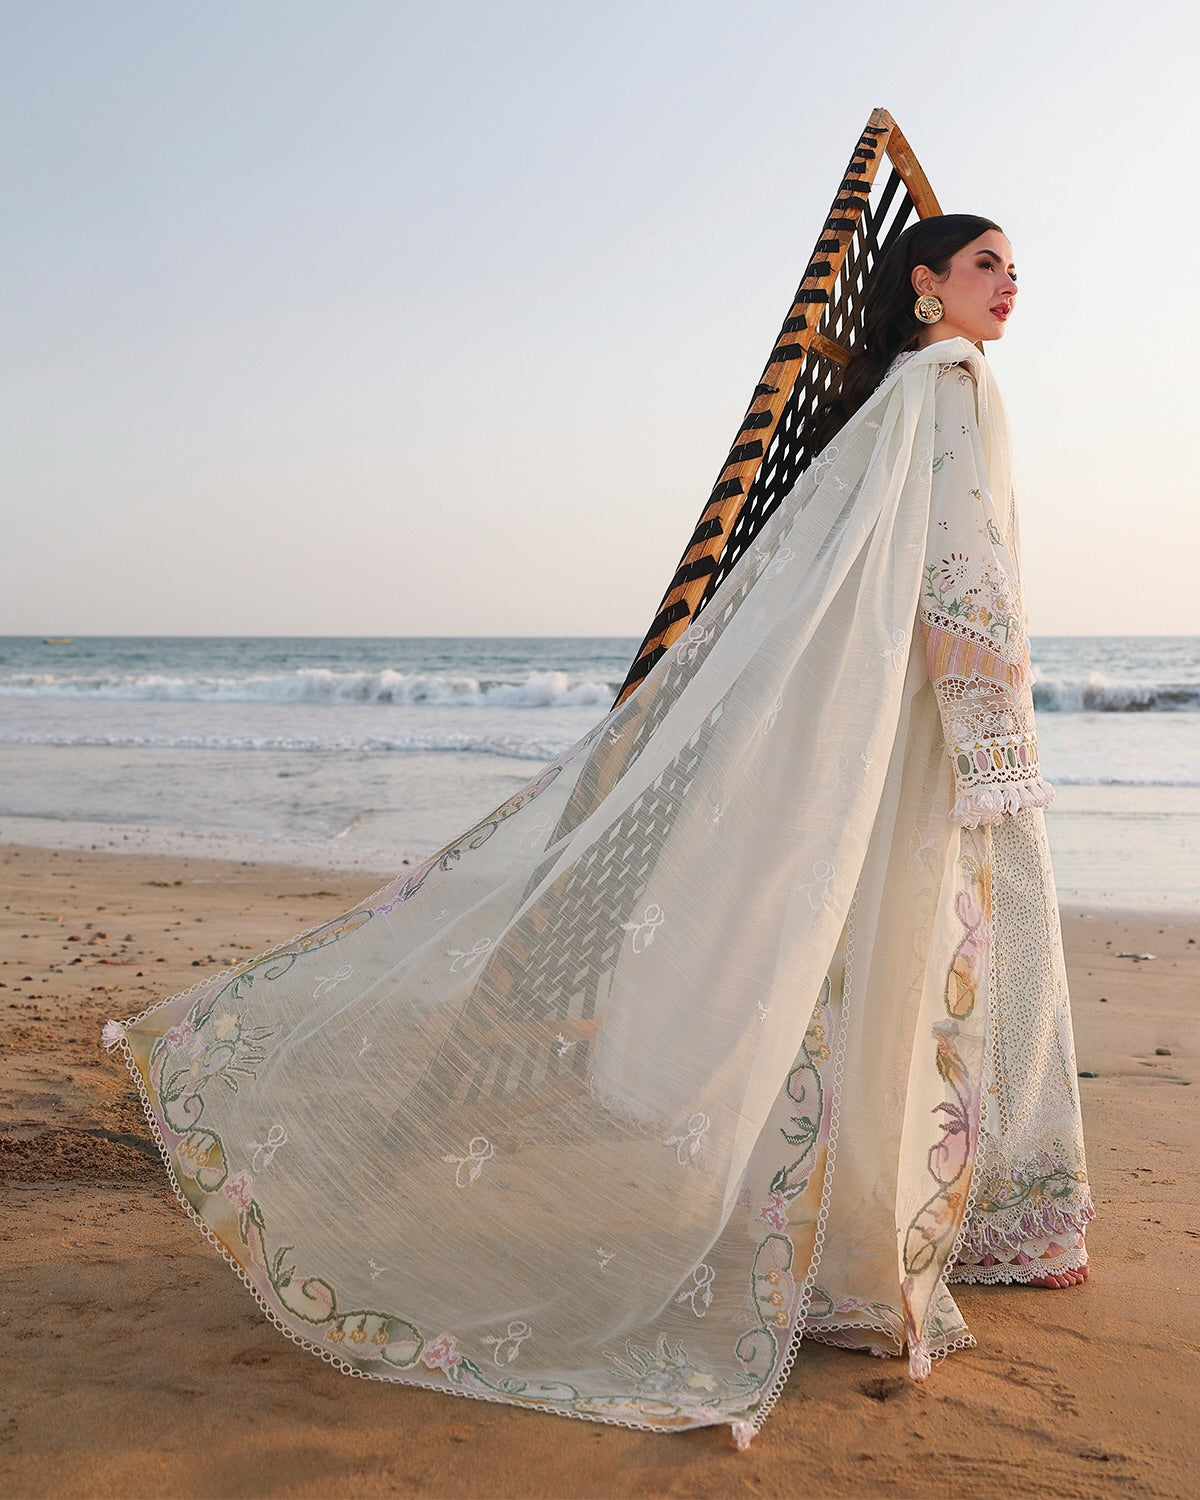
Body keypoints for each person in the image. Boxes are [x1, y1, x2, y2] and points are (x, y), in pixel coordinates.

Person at [104, 213, 1091, 1447]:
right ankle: (880, 1252)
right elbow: (964, 573)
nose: (1010, 285)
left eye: (1016, 269)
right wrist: (997, 746)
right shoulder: (954, 384)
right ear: (926, 283)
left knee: (878, 963)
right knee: (908, 960)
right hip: (929, 726)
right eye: (988, 263)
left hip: (884, 724)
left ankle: (862, 1248)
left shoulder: (900, 391)